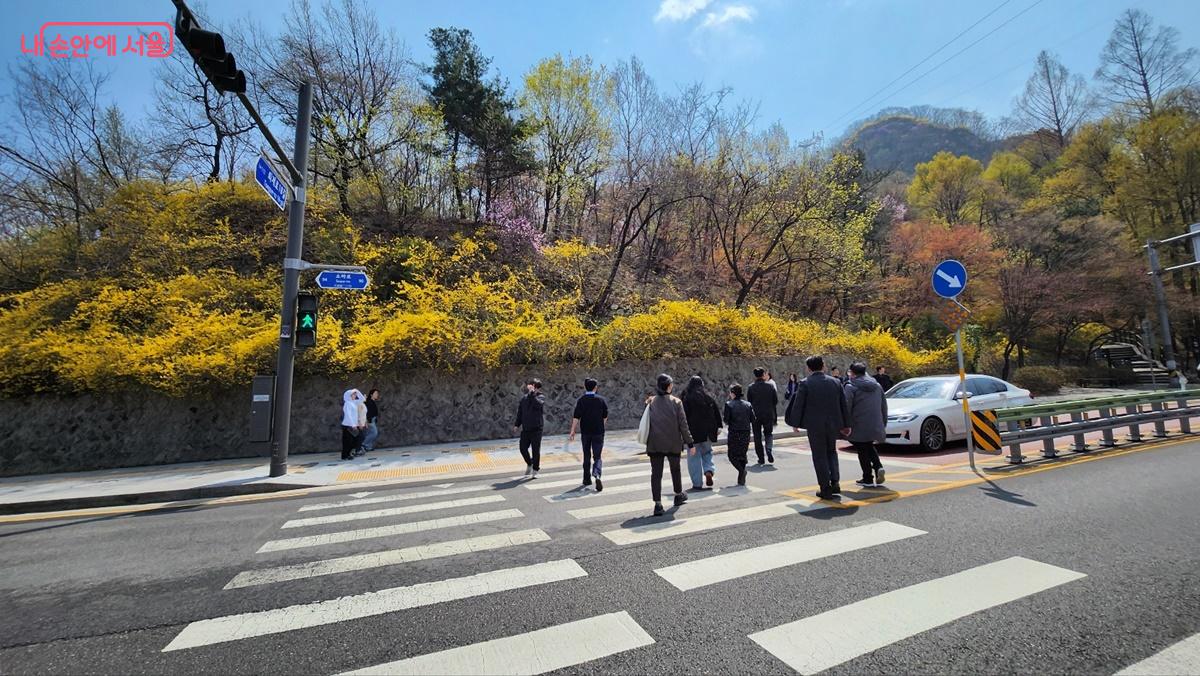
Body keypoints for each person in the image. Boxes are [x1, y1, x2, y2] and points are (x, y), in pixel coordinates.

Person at [785, 355, 851, 500]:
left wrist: (795, 423)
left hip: (814, 425)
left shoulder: (805, 383)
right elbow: (843, 404)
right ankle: (835, 482)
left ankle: (825, 488)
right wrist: (846, 424)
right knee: (831, 452)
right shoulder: (835, 382)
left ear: (808, 368)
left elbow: (798, 405)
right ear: (823, 366)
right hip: (833, 424)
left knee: (819, 455)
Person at [645, 374, 694, 516]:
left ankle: (658, 504)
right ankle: (678, 495)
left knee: (656, 474)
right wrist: (690, 443)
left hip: (655, 443)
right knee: (675, 469)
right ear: (669, 386)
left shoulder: (650, 402)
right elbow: (683, 425)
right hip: (673, 443)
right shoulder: (676, 402)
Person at [844, 362, 888, 487]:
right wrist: (883, 423)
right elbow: (883, 406)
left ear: (853, 373)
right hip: (874, 422)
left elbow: (847, 407)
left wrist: (845, 424)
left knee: (862, 449)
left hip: (858, 423)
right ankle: (878, 466)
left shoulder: (850, 386)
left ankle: (867, 478)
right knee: (868, 445)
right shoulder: (877, 385)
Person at [681, 375, 722, 491]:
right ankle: (708, 470)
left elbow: (683, 417)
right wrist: (718, 427)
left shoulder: (686, 399)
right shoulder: (708, 397)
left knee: (693, 458)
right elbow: (716, 413)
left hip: (693, 434)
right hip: (708, 433)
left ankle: (697, 483)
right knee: (707, 453)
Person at [569, 378, 608, 491]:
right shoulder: (601, 400)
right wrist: (601, 425)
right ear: (595, 388)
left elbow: (576, 416)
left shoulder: (581, 400)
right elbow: (605, 416)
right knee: (597, 456)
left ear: (585, 387)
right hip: (598, 432)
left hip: (585, 432)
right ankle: (597, 474)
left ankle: (586, 479)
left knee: (586, 455)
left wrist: (572, 430)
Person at [723, 383, 756, 485]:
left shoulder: (729, 405)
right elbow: (753, 419)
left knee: (732, 455)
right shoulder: (748, 404)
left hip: (734, 432)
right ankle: (741, 478)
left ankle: (742, 471)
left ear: (733, 393)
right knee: (742, 454)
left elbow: (726, 420)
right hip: (746, 432)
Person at [513, 378, 545, 478]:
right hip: (526, 429)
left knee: (535, 450)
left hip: (537, 429)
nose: (532, 388)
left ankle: (535, 469)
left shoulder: (540, 397)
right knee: (522, 448)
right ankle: (530, 463)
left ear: (537, 388)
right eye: (531, 386)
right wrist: (517, 424)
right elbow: (520, 413)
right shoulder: (524, 398)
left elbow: (538, 404)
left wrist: (532, 394)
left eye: (534, 386)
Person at [748, 367, 779, 464]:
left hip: (756, 415)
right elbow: (775, 401)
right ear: (763, 374)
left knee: (757, 436)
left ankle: (761, 458)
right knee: (768, 433)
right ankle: (768, 448)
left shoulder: (751, 387)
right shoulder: (770, 386)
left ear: (755, 376)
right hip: (768, 413)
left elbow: (749, 402)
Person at [340, 389, 364, 461]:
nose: (355, 395)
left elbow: (362, 399)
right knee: (347, 441)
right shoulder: (347, 403)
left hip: (353, 425)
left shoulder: (354, 402)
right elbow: (348, 415)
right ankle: (345, 456)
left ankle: (348, 454)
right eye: (353, 394)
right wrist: (353, 424)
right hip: (348, 425)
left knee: (355, 440)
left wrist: (356, 390)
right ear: (349, 395)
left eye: (355, 394)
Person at [360, 388, 381, 453]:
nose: (377, 395)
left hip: (372, 419)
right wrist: (366, 420)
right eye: (376, 393)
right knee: (374, 433)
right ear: (371, 394)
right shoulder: (369, 402)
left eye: (377, 393)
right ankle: (363, 444)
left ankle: (368, 446)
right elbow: (366, 412)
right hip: (370, 420)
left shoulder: (372, 401)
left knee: (370, 433)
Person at [353, 391, 369, 456]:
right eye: (364, 396)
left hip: (363, 422)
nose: (366, 397)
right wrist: (359, 423)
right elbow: (358, 414)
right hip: (359, 423)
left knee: (362, 436)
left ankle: (358, 449)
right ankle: (357, 450)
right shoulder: (359, 404)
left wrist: (366, 422)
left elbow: (364, 414)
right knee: (361, 436)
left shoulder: (363, 404)